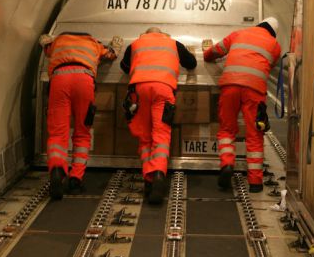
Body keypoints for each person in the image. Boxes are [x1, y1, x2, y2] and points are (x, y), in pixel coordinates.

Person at [40, 32, 122, 200]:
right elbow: (111, 54)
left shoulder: (58, 42)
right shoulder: (94, 43)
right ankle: (75, 180)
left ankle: (57, 169)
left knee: (57, 133)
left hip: (59, 80)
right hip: (84, 81)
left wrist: (45, 41)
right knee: (82, 132)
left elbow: (46, 48)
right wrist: (116, 45)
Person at [203, 17, 282, 192]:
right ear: (273, 32)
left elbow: (214, 51)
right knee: (255, 133)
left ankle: (227, 165)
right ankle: (255, 183)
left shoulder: (239, 33)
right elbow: (270, 64)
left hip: (230, 85)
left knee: (226, 129)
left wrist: (206, 55)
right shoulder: (275, 45)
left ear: (259, 24)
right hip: (254, 89)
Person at [120, 27, 197, 204]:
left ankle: (149, 178)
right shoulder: (173, 43)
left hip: (139, 91)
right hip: (164, 89)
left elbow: (124, 67)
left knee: (145, 136)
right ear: (163, 34)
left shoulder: (135, 44)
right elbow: (191, 63)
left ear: (144, 34)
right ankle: (159, 173)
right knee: (161, 134)